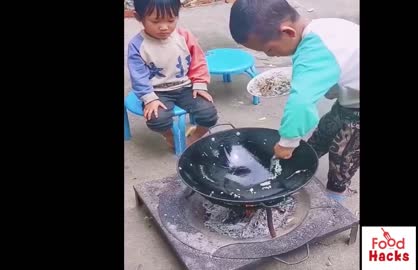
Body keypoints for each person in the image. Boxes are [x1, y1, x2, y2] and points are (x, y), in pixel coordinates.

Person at [229, 0, 359, 201]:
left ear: (287, 32)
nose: (269, 55)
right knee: (326, 130)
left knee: (343, 155)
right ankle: (302, 162)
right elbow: (340, 64)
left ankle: (335, 199)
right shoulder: (322, 29)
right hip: (349, 99)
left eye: (269, 50)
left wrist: (287, 142)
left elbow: (301, 103)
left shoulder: (316, 52)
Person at [127, 0, 218, 150]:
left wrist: (200, 84)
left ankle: (195, 136)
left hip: (185, 87)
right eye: (155, 21)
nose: (164, 27)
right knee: (157, 120)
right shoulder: (137, 45)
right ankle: (170, 136)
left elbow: (198, 60)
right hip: (157, 92)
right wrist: (149, 98)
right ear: (138, 17)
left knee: (209, 114)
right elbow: (138, 76)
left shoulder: (184, 36)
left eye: (171, 20)